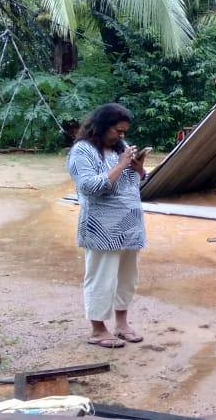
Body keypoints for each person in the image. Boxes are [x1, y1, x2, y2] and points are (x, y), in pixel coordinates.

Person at [67, 104, 147, 348]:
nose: (121, 136)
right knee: (102, 277)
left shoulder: (120, 148)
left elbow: (136, 183)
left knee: (127, 278)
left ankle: (122, 324)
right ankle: (98, 329)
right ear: (101, 126)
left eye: (124, 132)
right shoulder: (82, 151)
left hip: (130, 225)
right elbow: (90, 187)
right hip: (101, 228)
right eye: (117, 131)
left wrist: (139, 169)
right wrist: (121, 165)